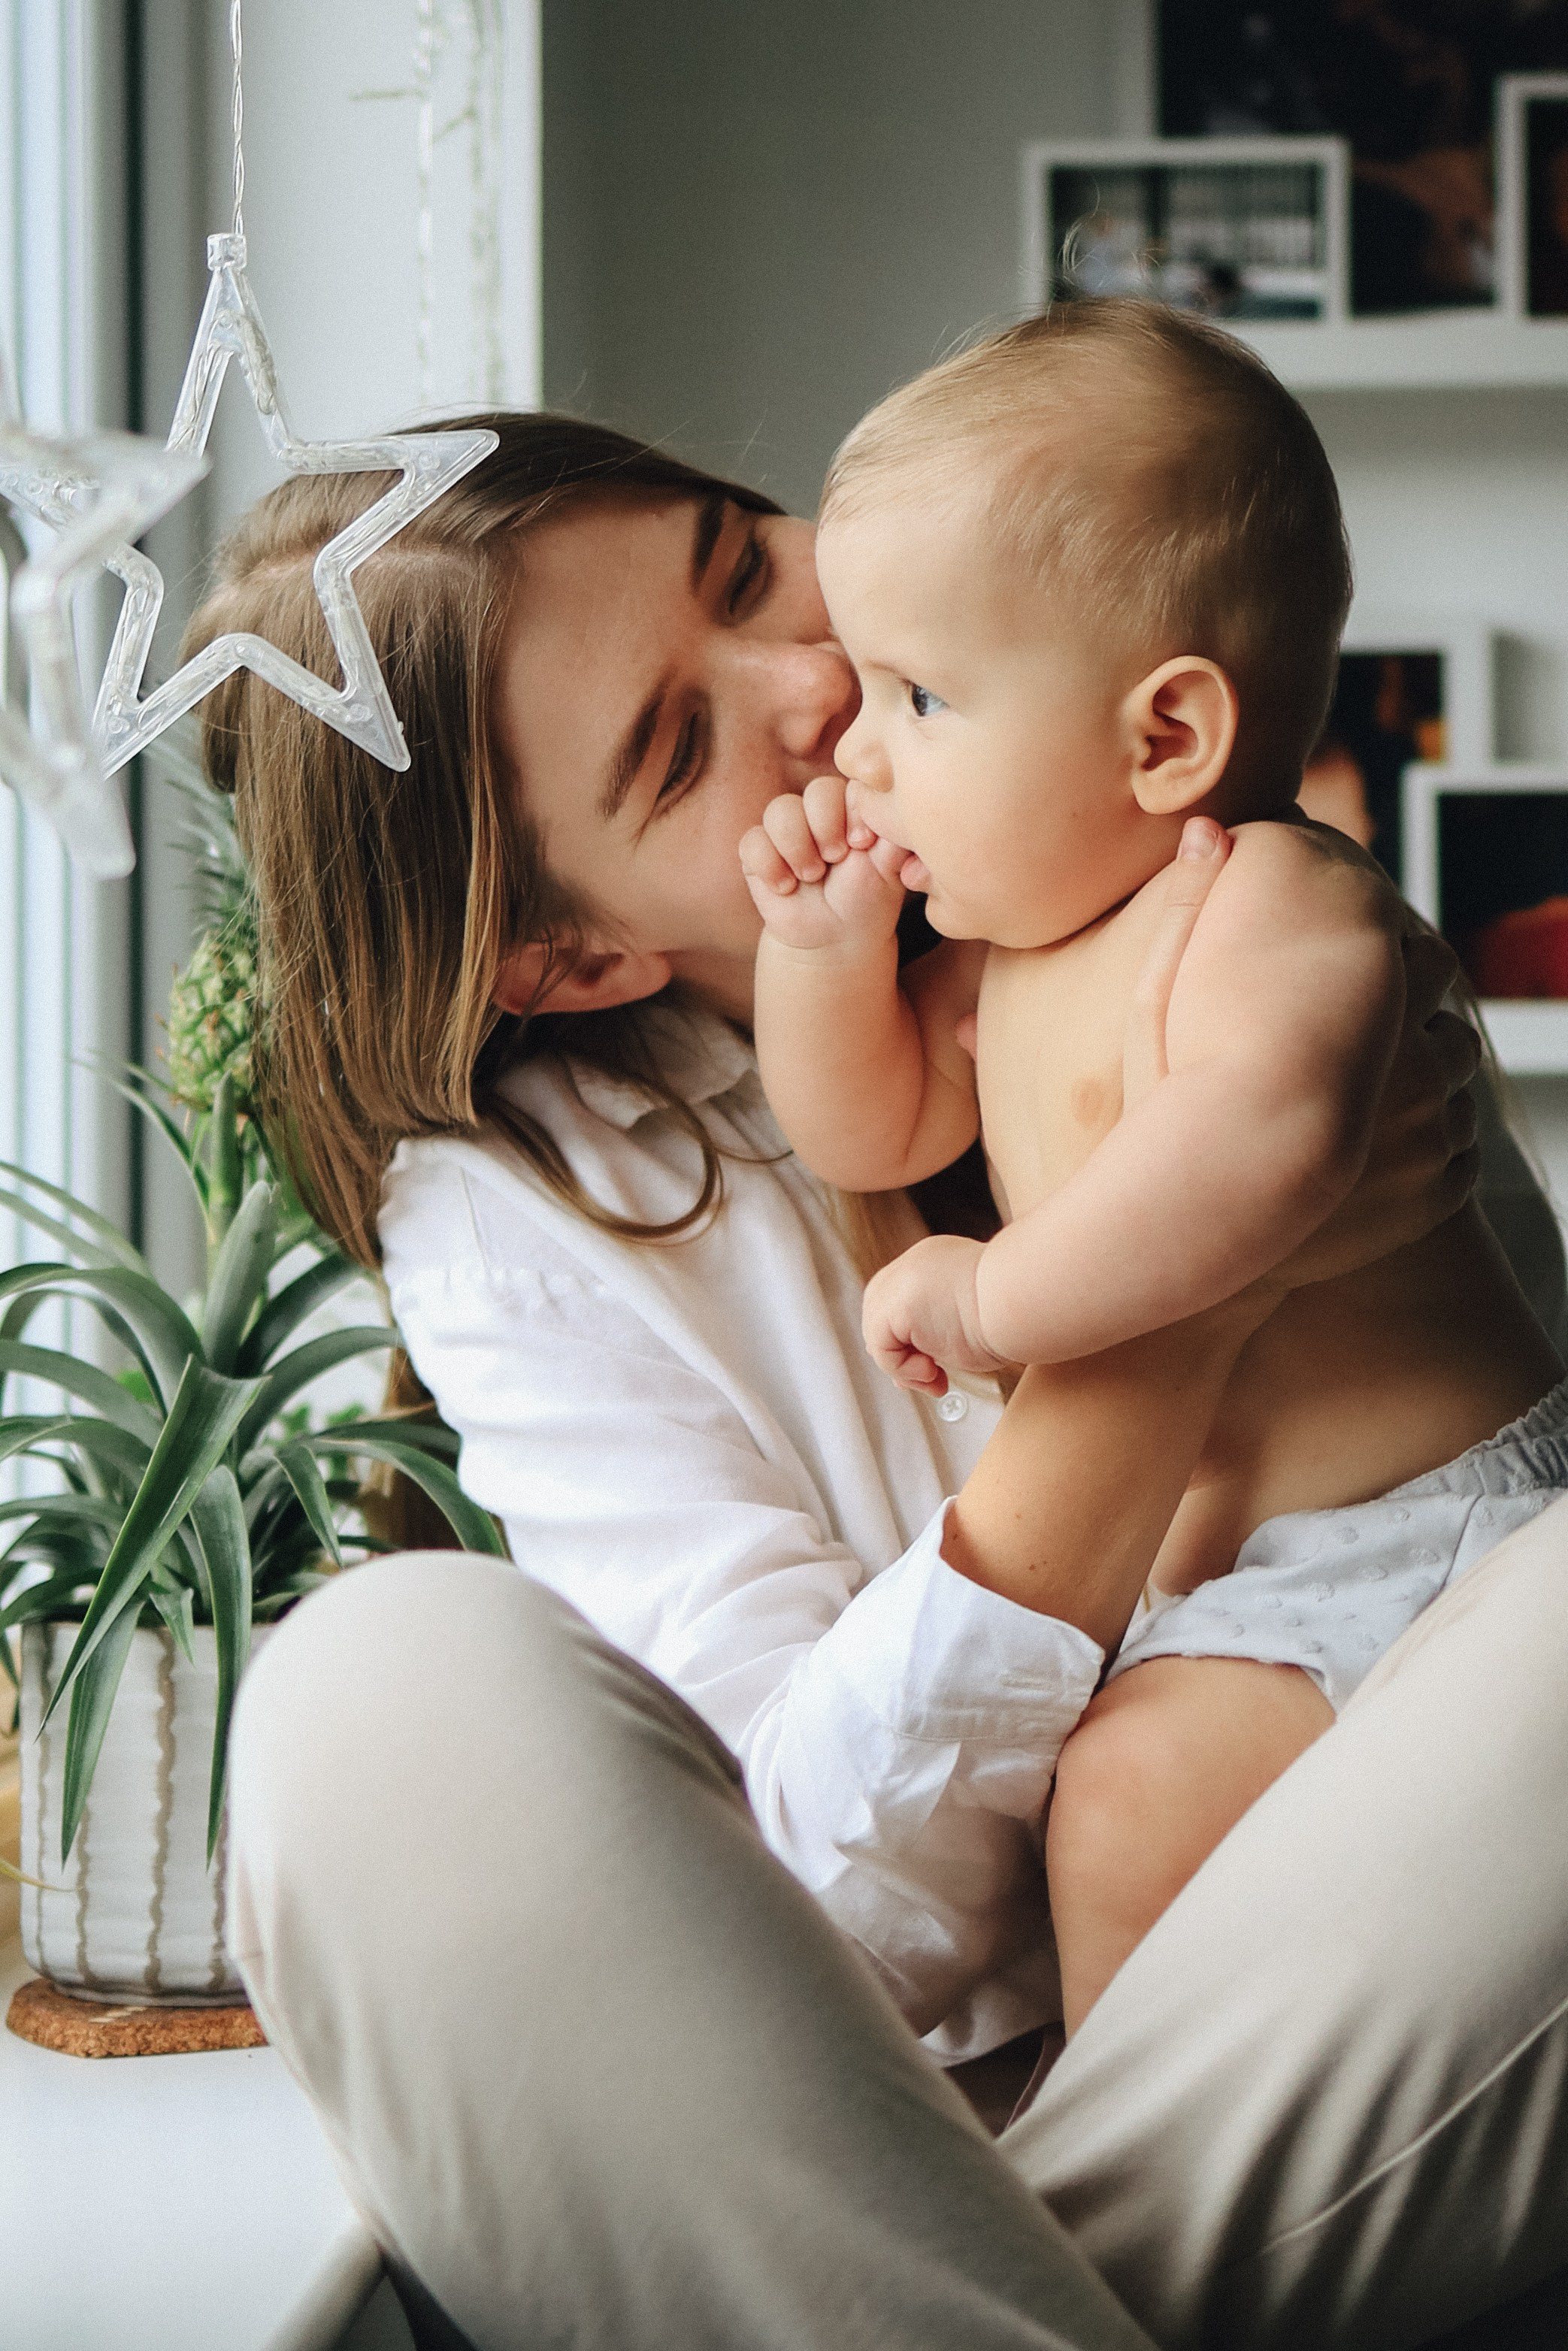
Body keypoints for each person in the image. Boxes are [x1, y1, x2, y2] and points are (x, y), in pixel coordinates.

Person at [195, 412, 1568, 2348]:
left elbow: (1457, 1583)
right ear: (569, 959)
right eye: (678, 748)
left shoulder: (1211, 876)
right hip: (901, 2119)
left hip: (1328, 1977)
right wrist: (1156, 1322)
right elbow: (827, 1930)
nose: (816, 680)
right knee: (368, 1693)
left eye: (746, 559)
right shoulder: (528, 1219)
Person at [740, 301, 1567, 2031]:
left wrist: (996, 1297)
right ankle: (1178, 2121)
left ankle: (1131, 2171)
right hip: (1255, 1572)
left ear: (1163, 738)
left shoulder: (1272, 896)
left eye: (918, 694)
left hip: (1428, 1530)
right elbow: (870, 1131)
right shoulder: (1009, 953)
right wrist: (820, 954)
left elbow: (1259, 1144)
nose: (854, 750)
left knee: (1123, 1799)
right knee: (1120, 1810)